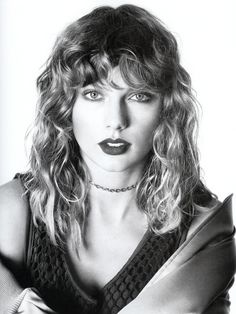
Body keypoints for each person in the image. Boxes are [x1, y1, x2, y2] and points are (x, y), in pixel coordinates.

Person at [0, 4, 235, 314]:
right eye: (94, 94)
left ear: (167, 108)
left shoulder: (201, 231)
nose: (116, 121)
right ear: (65, 105)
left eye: (139, 96)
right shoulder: (17, 210)